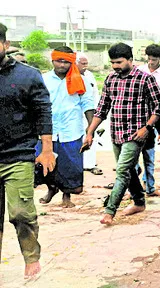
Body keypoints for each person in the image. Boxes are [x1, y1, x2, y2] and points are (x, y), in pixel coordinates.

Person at [83, 43, 160, 225]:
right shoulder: (111, 79)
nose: (115, 66)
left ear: (130, 60)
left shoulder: (145, 79)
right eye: (112, 62)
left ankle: (109, 211)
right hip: (116, 133)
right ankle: (139, 202)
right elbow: (102, 109)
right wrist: (90, 132)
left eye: (119, 62)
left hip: (136, 135)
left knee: (122, 171)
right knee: (128, 170)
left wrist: (147, 128)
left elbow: (159, 106)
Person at [0, 22, 53, 278]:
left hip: (18, 154)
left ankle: (31, 258)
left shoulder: (28, 75)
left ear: (5, 45)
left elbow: (43, 112)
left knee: (21, 213)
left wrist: (46, 150)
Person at [37, 46, 94, 208]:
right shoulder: (43, 79)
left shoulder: (81, 80)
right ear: (52, 60)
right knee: (45, 163)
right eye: (58, 61)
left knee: (70, 164)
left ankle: (66, 195)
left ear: (72, 62)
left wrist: (91, 129)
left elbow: (88, 104)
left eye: (66, 62)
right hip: (48, 130)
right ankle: (51, 189)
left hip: (71, 129)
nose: (62, 65)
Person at [136, 44, 160, 197]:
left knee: (149, 156)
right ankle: (134, 187)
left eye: (154, 60)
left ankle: (150, 186)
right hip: (136, 118)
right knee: (133, 157)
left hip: (152, 117)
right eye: (148, 59)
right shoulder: (139, 71)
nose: (151, 62)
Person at [77, 53, 103, 176]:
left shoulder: (89, 76)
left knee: (91, 137)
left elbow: (95, 95)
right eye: (83, 64)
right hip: (75, 114)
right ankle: (78, 165)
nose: (85, 66)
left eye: (86, 64)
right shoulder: (71, 77)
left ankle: (90, 165)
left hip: (90, 112)